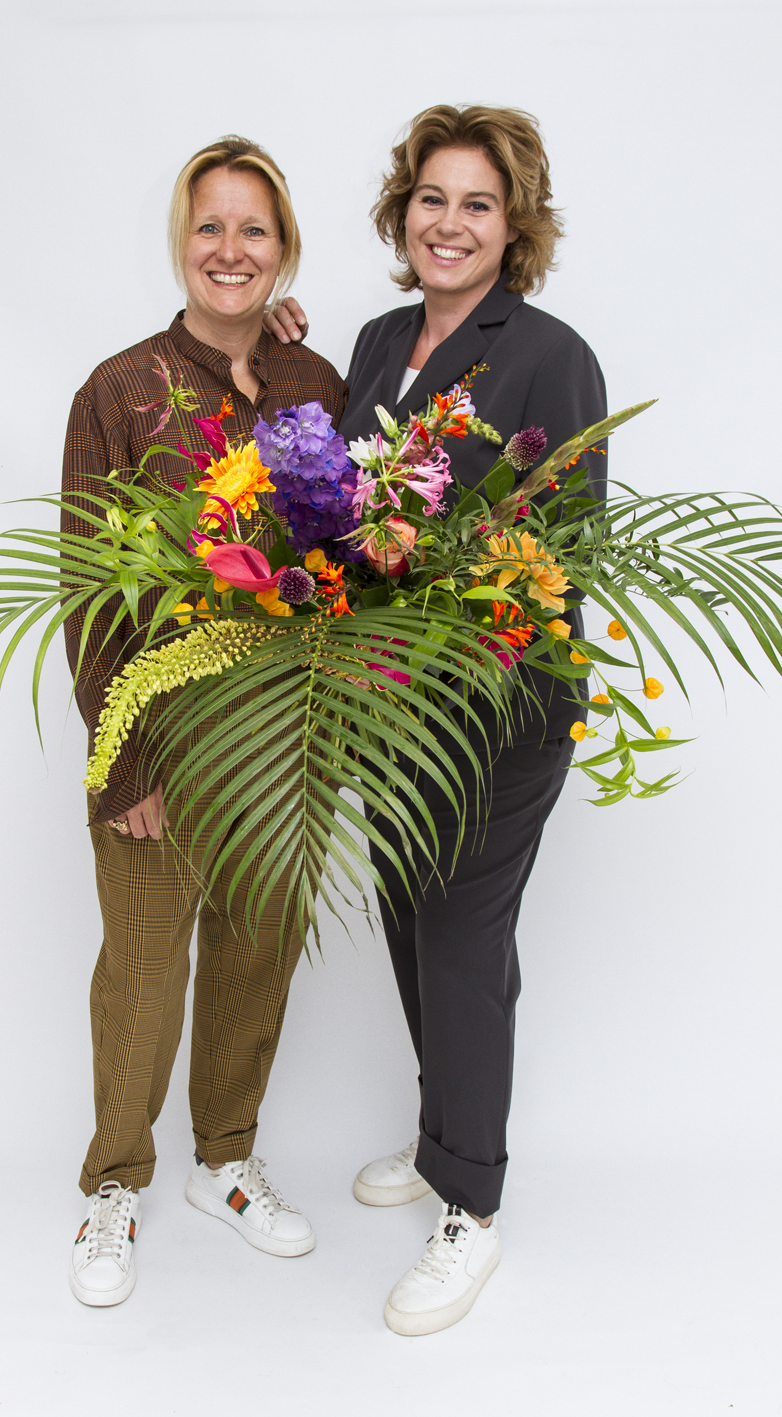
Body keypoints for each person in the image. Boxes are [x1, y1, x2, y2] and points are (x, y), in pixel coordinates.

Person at [267, 104, 607, 1336]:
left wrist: (439, 560)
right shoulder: (373, 339)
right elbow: (332, 491)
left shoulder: (549, 353)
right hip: (387, 706)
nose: (449, 222)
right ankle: (445, 1133)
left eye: (477, 202)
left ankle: (473, 1205)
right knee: (415, 926)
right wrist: (281, 336)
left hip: (501, 708)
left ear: (514, 226)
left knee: (462, 933)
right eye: (431, 198)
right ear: (401, 212)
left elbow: (566, 548)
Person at [61, 136, 345, 1307]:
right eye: (210, 227)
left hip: (283, 742)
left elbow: (338, 553)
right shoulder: (121, 389)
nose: (231, 251)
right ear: (182, 242)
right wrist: (122, 758)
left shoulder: (314, 382)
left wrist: (277, 372)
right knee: (141, 971)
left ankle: (224, 1160)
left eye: (255, 231)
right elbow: (86, 587)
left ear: (284, 250)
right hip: (159, 748)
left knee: (256, 953)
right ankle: (115, 1183)